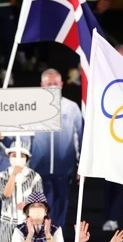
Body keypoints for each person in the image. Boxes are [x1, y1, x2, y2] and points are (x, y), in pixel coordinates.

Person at [29, 69, 83, 225]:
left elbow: (79, 137)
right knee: (40, 208)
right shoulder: (33, 106)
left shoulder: (71, 107)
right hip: (39, 168)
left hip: (64, 168)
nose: (52, 86)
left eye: (55, 84)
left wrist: (81, 166)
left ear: (61, 84)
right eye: (48, 84)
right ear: (42, 85)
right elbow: (26, 138)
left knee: (61, 207)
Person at [0, 140, 43, 242]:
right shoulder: (2, 176)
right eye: (14, 155)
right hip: (7, 223)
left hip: (26, 225)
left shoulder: (34, 177)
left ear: (26, 158)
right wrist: (14, 175)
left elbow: (40, 203)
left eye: (21, 156)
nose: (17, 159)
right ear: (9, 157)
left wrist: (28, 205)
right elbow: (5, 195)